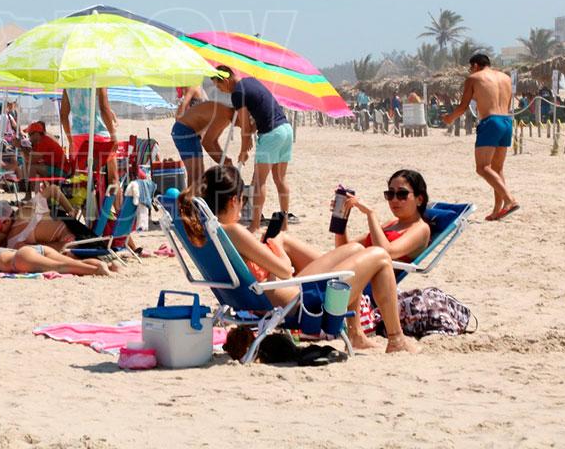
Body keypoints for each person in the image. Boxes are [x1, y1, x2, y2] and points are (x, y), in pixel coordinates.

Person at [178, 166, 418, 353]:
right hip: (298, 303)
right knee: (380, 256)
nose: (242, 207)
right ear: (233, 200)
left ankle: (356, 335)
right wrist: (276, 248)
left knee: (355, 249)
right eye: (243, 200)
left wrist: (270, 247)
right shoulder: (233, 231)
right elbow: (284, 269)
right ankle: (396, 339)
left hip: (271, 295)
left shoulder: (209, 233)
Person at [212, 65, 292, 233]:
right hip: (285, 129)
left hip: (271, 134)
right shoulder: (251, 81)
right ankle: (284, 224)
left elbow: (245, 126)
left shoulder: (237, 93)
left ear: (226, 80)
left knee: (258, 181)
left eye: (219, 86)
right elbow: (261, 115)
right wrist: (248, 137)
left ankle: (255, 224)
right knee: (280, 179)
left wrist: (243, 151)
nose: (221, 91)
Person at [442, 53, 519, 221]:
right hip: (506, 121)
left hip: (490, 122)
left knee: (482, 167)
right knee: (497, 169)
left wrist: (449, 118)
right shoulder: (506, 78)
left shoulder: (474, 78)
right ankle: (498, 209)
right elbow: (508, 103)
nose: (470, 71)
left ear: (475, 65)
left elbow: (463, 106)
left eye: (471, 68)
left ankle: (510, 200)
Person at [335, 170, 432, 263]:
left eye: (402, 194)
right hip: (357, 268)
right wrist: (341, 214)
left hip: (374, 272)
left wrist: (370, 213)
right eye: (390, 194)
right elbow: (343, 250)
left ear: (419, 199)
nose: (394, 200)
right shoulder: (392, 222)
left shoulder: (421, 228)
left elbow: (385, 253)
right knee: (353, 248)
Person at [170, 100, 238, 190]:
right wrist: (222, 161)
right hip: (185, 130)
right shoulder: (224, 116)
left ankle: (194, 196)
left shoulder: (226, 115)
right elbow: (207, 143)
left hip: (188, 131)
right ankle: (190, 197)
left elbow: (214, 141)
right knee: (195, 172)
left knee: (199, 173)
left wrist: (224, 159)